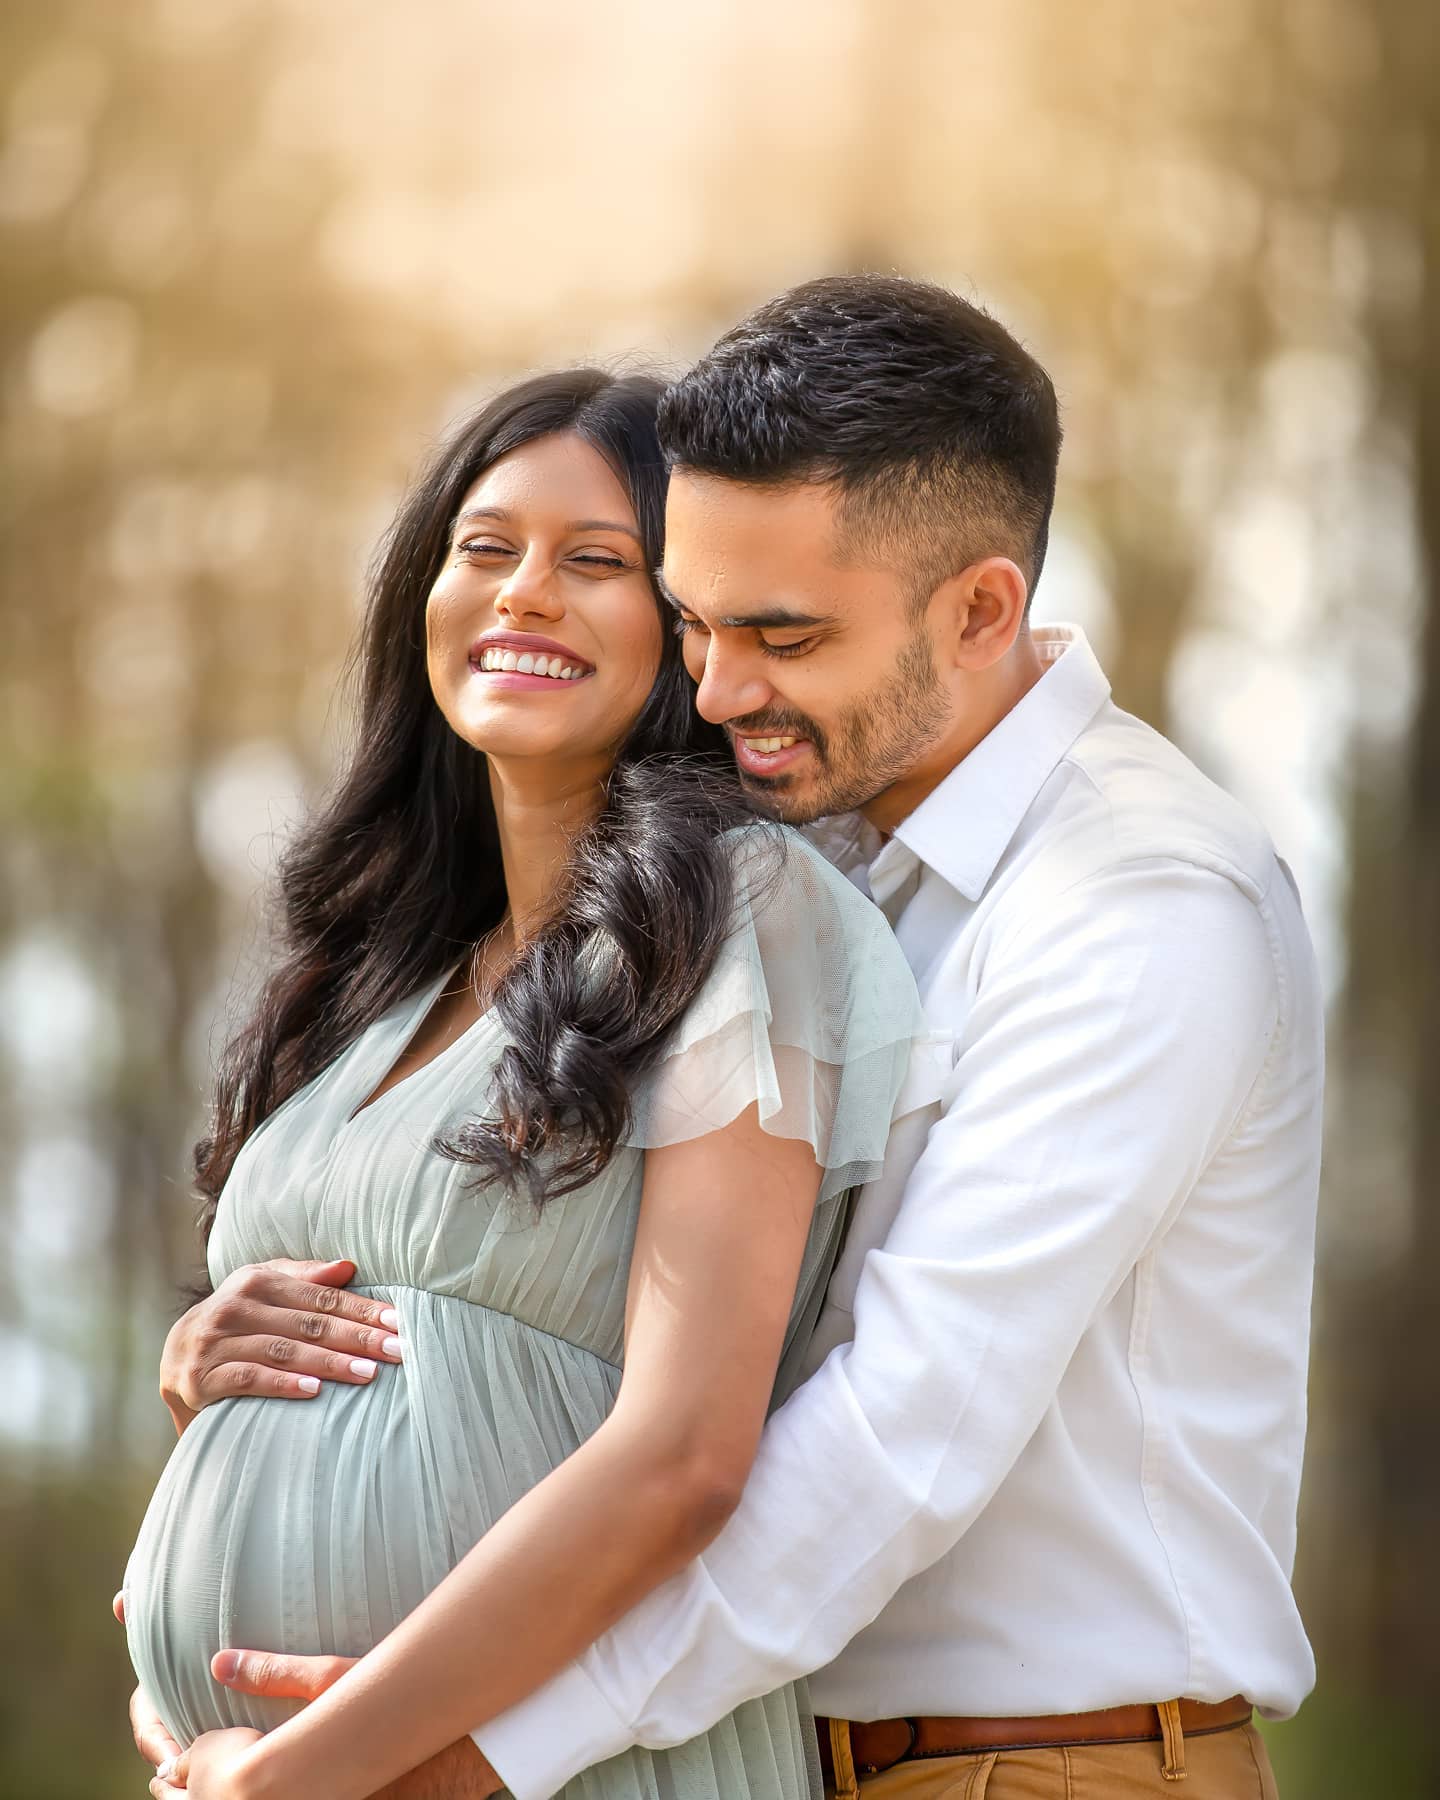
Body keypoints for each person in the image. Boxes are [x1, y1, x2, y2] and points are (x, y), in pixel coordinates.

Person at [141, 276, 1323, 1800]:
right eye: (695, 621)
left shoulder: (1143, 905)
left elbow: (894, 1443)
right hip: (774, 1750)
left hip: (1033, 1770)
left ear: (979, 611)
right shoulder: (802, 845)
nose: (715, 688)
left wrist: (456, 1758)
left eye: (781, 634)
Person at [118, 366, 946, 1800]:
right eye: (486, 549)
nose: (526, 594)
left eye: (597, 563)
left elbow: (686, 1456)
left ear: (687, 633)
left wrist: (316, 1768)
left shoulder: (742, 913)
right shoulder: (386, 969)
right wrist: (201, 1388)